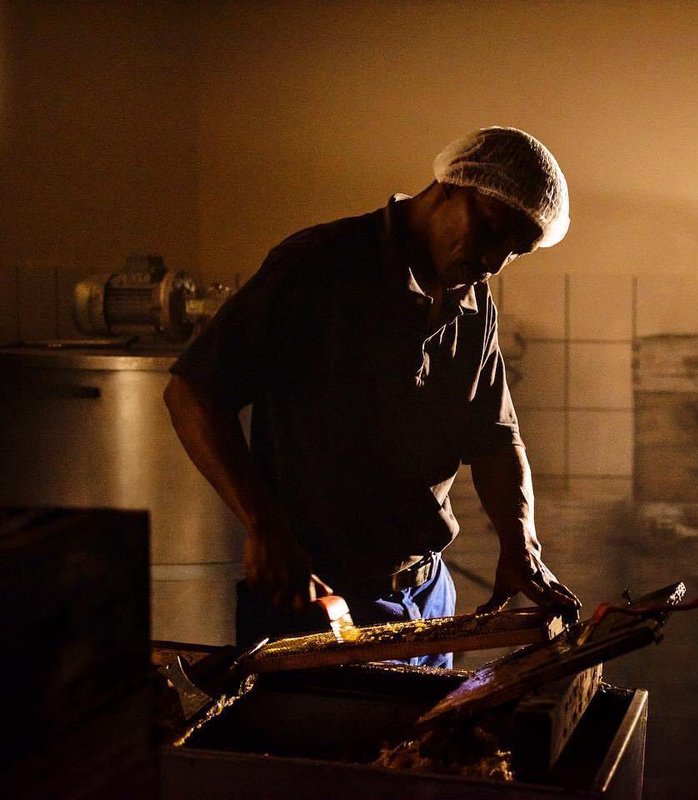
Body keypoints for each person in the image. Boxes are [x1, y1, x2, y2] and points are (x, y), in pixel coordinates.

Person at [163, 127, 580, 664]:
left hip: (426, 596)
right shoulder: (318, 267)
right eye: (494, 232)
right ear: (453, 186)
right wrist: (263, 526)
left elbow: (496, 436)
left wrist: (520, 543)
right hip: (313, 600)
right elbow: (192, 393)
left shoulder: (473, 303)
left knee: (421, 750)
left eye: (514, 253)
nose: (495, 263)